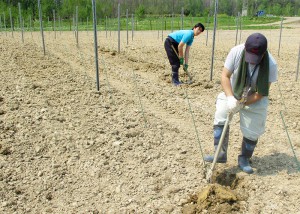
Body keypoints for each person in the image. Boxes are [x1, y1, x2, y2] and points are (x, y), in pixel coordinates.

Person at [204, 33, 278, 174]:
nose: (252, 61)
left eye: (256, 59)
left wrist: (243, 103)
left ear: (263, 54)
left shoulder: (271, 64)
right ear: (245, 49)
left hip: (254, 98)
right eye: (250, 57)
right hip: (233, 92)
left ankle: (244, 158)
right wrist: (231, 98)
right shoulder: (236, 52)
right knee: (221, 113)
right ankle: (220, 153)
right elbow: (225, 76)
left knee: (253, 130)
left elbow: (261, 93)